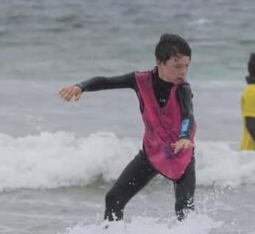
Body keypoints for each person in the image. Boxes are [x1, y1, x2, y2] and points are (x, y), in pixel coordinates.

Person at [58, 34, 196, 221]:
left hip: (181, 152)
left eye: (187, 66)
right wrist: (80, 86)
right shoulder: (140, 80)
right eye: (177, 66)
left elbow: (188, 114)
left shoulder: (183, 89)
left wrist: (185, 137)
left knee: (184, 208)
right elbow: (105, 81)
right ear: (159, 62)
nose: (183, 72)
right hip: (152, 152)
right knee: (114, 198)